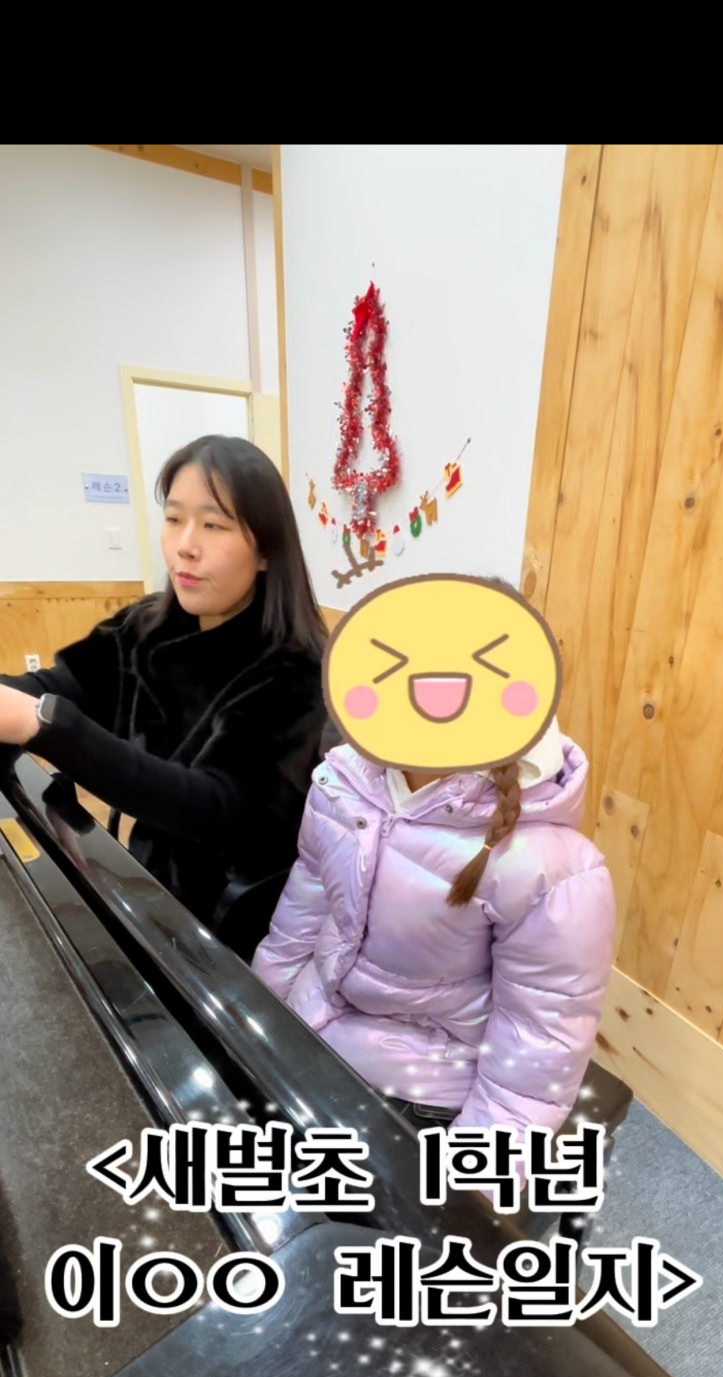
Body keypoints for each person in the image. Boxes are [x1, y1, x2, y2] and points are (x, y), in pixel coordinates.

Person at [253, 697, 616, 1200]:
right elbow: (305, 904)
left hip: (421, 1088)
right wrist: (254, 1018)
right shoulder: (343, 781)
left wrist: (474, 1182)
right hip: (312, 1025)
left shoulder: (550, 867)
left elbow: (540, 1036)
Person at [0, 436, 327, 962]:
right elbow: (58, 684)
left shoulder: (297, 668)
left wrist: (46, 726)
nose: (184, 546)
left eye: (214, 525)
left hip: (231, 927)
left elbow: (211, 808)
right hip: (147, 883)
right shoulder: (147, 623)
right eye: (174, 519)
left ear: (267, 550)